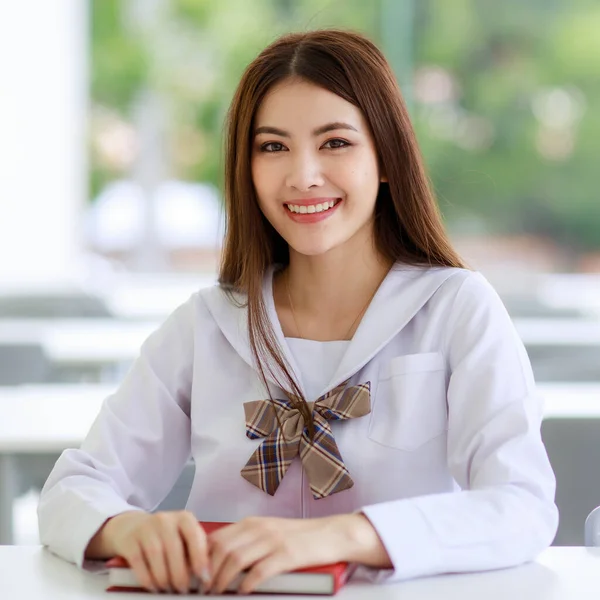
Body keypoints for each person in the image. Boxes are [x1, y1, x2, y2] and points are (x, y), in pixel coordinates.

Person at [38, 29, 558, 595]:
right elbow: (73, 488)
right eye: (272, 146)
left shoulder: (457, 309)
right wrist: (127, 529)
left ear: (386, 157)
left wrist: (344, 536)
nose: (303, 175)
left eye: (335, 143)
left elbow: (521, 505)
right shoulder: (206, 323)